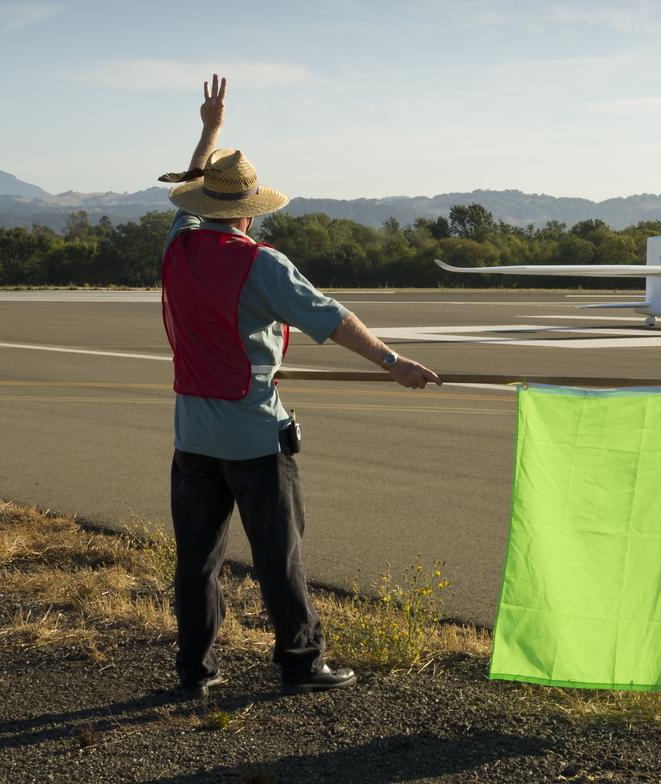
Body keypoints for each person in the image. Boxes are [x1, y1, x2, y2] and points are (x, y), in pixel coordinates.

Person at [158, 74, 440, 698]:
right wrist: (393, 362)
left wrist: (209, 131)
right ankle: (298, 663)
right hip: (254, 435)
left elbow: (185, 198)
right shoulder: (261, 263)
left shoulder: (178, 246)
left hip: (192, 434)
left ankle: (193, 674)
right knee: (277, 557)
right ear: (252, 210)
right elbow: (333, 317)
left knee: (197, 561)